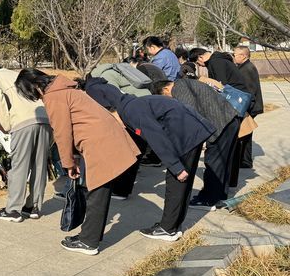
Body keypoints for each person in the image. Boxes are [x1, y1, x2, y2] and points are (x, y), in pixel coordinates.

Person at [15, 70, 140, 255]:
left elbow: (62, 133)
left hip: (100, 144)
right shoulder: (66, 89)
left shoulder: (54, 97)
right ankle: (89, 236)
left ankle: (89, 241)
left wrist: (68, 164)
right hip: (107, 140)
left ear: (34, 87)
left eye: (30, 94)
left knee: (96, 193)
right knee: (97, 192)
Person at [83, 77, 214, 242]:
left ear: (110, 110)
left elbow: (156, 137)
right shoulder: (132, 104)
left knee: (176, 183)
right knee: (181, 185)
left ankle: (168, 228)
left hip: (184, 137)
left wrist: (176, 167)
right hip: (190, 132)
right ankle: (173, 226)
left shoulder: (131, 111)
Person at [150, 79, 240, 209]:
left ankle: (209, 200)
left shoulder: (178, 88)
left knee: (214, 163)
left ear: (165, 90)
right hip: (229, 120)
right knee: (222, 163)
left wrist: (198, 138)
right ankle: (220, 195)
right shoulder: (185, 83)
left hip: (221, 124)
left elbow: (189, 113)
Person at [0, 66, 52, 222]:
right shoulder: (20, 74)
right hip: (45, 119)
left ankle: (13, 210)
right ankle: (33, 207)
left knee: (19, 165)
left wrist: (8, 126)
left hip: (23, 122)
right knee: (39, 165)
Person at [90, 62, 150, 200]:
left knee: (129, 149)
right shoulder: (117, 71)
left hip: (133, 111)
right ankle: (123, 187)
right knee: (137, 147)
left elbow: (114, 101)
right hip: (144, 104)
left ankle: (121, 190)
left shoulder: (105, 76)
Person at [233, 46, 264, 169]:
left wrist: (244, 109)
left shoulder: (247, 69)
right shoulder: (244, 67)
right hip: (249, 106)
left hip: (249, 106)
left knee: (244, 133)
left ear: (243, 56)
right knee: (245, 133)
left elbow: (250, 92)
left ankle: (244, 161)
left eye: (235, 55)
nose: (234, 57)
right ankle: (244, 161)